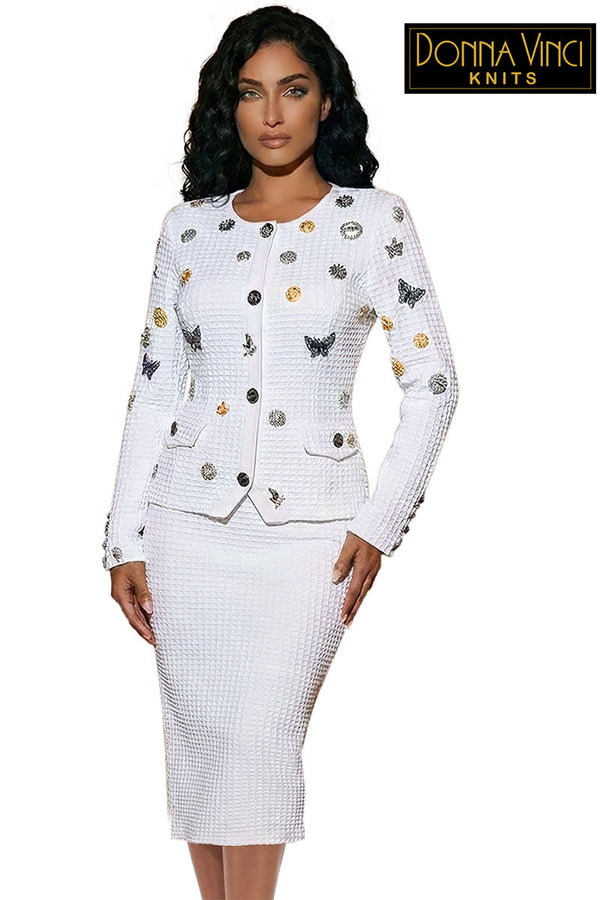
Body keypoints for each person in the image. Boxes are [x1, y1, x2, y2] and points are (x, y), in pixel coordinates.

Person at [102, 5, 459, 898]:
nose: (271, 113)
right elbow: (154, 387)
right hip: (185, 527)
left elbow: (434, 383)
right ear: (228, 107)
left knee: (260, 742)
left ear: (326, 102)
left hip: (314, 535)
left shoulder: (374, 220)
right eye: (250, 92)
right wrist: (123, 539)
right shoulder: (187, 228)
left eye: (293, 90)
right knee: (203, 745)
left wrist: (379, 523)